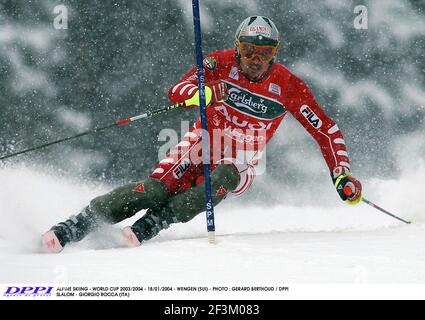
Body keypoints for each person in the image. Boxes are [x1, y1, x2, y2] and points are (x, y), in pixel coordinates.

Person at [42, 16, 362, 253]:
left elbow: (325, 129)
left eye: (264, 53)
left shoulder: (289, 86)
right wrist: (206, 91)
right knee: (154, 190)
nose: (255, 60)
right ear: (237, 48)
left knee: (224, 174)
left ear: (274, 54)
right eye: (248, 50)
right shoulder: (218, 63)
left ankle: (155, 222)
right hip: (201, 142)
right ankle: (75, 225)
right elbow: (177, 91)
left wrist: (341, 174)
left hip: (242, 158)